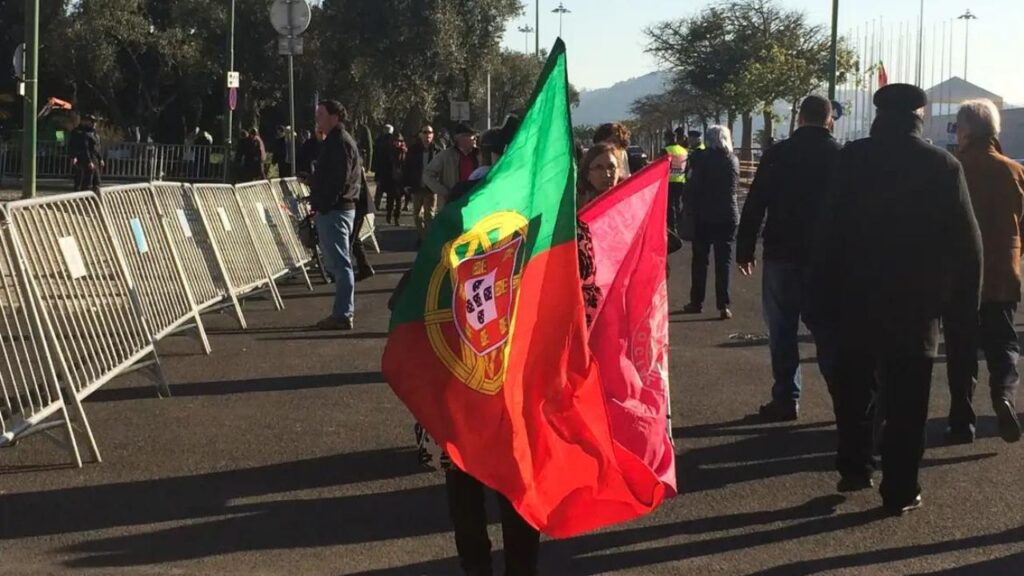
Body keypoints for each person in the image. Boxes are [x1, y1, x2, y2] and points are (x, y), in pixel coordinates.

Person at [813, 84, 981, 514]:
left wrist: (819, 295)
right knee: (909, 401)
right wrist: (962, 308)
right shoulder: (942, 165)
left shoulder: (851, 159)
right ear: (920, 117)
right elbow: (968, 245)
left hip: (855, 298)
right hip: (916, 306)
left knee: (855, 388)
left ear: (878, 116)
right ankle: (901, 488)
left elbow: (828, 230)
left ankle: (854, 465)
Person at [736, 95, 842, 422]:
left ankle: (786, 397)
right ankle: (844, 399)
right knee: (828, 331)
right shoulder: (842, 156)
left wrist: (744, 248)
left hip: (781, 251)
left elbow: (756, 203)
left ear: (798, 118)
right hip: (827, 258)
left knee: (782, 328)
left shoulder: (778, 155)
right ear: (829, 120)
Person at [944, 98, 1024, 444]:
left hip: (960, 273)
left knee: (961, 348)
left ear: (965, 131)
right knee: (1004, 340)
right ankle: (1004, 394)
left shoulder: (951, 168)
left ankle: (962, 420)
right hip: (1003, 272)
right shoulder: (1014, 171)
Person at [303, 100, 363, 331]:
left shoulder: (339, 142)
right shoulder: (337, 141)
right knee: (339, 262)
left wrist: (323, 203)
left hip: (336, 209)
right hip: (337, 207)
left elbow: (339, 178)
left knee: (340, 263)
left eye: (321, 114)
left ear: (334, 117)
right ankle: (342, 311)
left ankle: (343, 313)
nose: (317, 118)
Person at [682, 125, 739, 320]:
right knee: (724, 260)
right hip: (727, 215)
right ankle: (724, 304)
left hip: (703, 215)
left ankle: (697, 301)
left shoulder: (700, 158)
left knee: (700, 260)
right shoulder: (733, 160)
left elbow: (691, 186)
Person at [423, 123, 478, 211]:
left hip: (474, 201)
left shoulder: (479, 155)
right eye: (470, 136)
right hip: (453, 203)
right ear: (459, 138)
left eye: (474, 136)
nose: (474, 139)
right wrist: (444, 192)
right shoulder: (446, 156)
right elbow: (427, 174)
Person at [405, 123, 445, 238]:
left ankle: (429, 239)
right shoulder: (413, 150)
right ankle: (423, 236)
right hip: (417, 187)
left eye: (430, 132)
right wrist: (406, 184)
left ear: (433, 135)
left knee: (430, 215)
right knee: (416, 215)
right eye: (425, 132)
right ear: (420, 135)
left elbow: (442, 169)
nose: (427, 135)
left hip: (431, 188)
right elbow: (407, 167)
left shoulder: (438, 151)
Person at [352, 167, 376, 282]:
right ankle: (365, 267)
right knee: (354, 238)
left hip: (356, 205)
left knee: (352, 238)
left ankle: (365, 267)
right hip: (360, 204)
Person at [663, 129, 688, 235]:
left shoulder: (666, 150)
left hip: (668, 181)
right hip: (680, 181)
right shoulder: (683, 150)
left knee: (669, 205)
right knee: (678, 204)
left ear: (667, 138)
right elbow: (687, 167)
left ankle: (672, 227)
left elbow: (661, 166)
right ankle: (679, 224)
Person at [69, 114, 103, 191]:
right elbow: (76, 146)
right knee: (82, 178)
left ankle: (94, 197)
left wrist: (100, 158)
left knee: (96, 179)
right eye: (91, 122)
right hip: (82, 157)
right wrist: (73, 156)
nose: (94, 124)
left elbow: (97, 147)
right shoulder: (77, 132)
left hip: (93, 157)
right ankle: (80, 196)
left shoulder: (94, 133)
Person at [380, 133, 408, 225]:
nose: (398, 143)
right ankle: (389, 215)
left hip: (401, 180)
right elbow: (384, 166)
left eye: (400, 141)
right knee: (390, 200)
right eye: (396, 141)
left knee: (399, 200)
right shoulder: (389, 151)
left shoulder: (404, 152)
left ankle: (397, 218)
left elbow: (407, 166)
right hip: (390, 179)